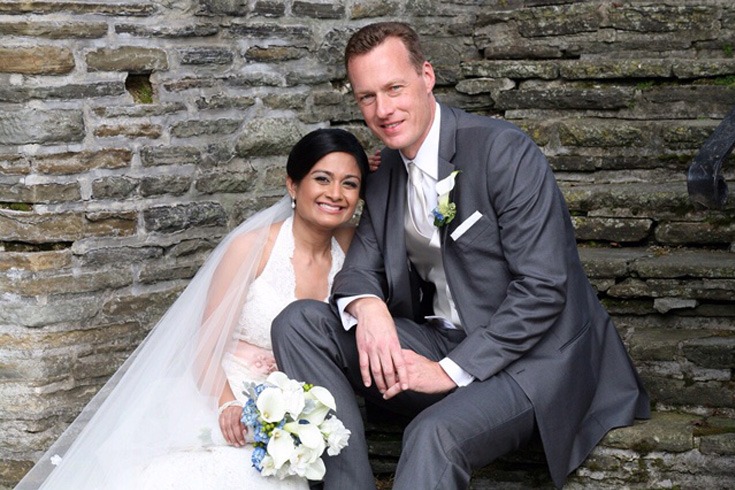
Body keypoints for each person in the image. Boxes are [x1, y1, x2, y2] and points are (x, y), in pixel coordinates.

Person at [271, 22, 650, 490]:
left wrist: (447, 371)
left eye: (394, 88)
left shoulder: (503, 151)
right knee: (298, 323)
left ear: (427, 76)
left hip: (532, 362)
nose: (383, 110)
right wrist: (367, 308)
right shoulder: (387, 169)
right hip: (439, 338)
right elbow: (360, 270)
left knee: (433, 433)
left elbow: (544, 288)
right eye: (367, 97)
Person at [16, 128, 371, 489]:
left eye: (349, 184)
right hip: (227, 389)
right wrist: (228, 406)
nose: (335, 194)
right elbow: (204, 348)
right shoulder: (252, 248)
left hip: (302, 407)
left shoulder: (356, 246)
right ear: (293, 185)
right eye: (322, 179)